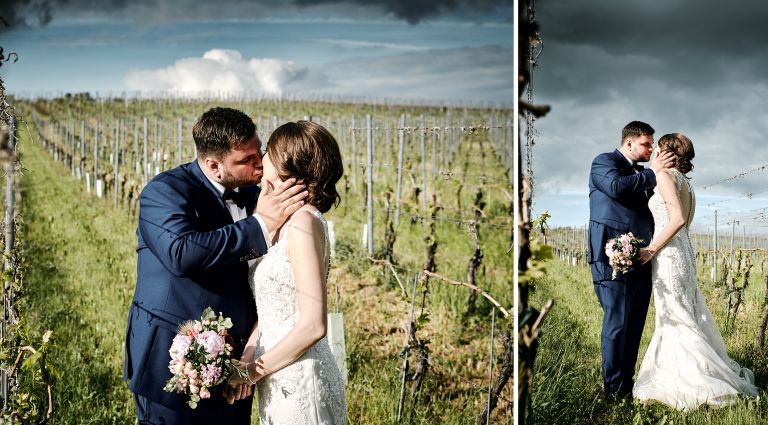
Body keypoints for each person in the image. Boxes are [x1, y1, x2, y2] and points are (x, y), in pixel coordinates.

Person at [124, 107, 307, 424]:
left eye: (258, 151)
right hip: (174, 362)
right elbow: (180, 254)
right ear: (213, 165)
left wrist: (248, 357)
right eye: (247, 159)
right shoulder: (164, 192)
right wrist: (260, 225)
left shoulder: (256, 195)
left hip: (241, 366)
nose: (259, 164)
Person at [227, 120, 347, 424]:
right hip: (277, 374)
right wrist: (246, 361)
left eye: (268, 151)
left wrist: (251, 373)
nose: (262, 159)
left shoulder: (305, 223)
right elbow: (271, 310)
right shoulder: (281, 223)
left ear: (286, 165)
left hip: (301, 377)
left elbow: (313, 326)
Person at [632, 133, 758, 409]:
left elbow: (676, 219)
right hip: (684, 254)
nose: (654, 153)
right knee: (685, 311)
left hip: (669, 255)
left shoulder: (665, 177)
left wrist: (651, 249)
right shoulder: (686, 183)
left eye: (659, 148)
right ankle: (706, 371)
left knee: (674, 314)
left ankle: (691, 382)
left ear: (668, 152)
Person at [588, 121, 674, 400]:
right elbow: (616, 188)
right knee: (617, 323)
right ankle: (613, 391)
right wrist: (653, 174)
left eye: (653, 144)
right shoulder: (603, 163)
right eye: (647, 144)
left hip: (643, 258)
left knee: (635, 323)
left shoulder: (646, 175)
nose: (652, 148)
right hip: (609, 257)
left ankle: (627, 384)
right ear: (629, 143)